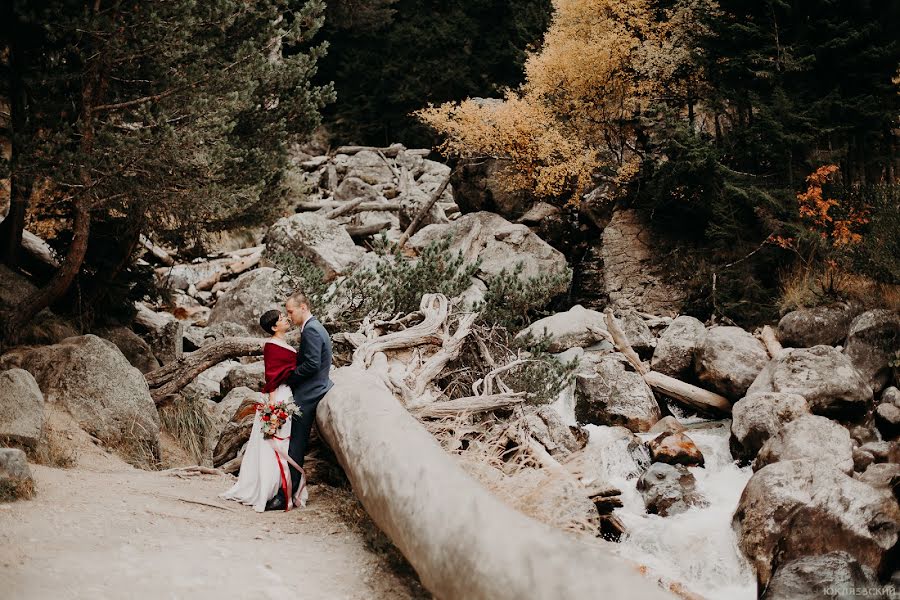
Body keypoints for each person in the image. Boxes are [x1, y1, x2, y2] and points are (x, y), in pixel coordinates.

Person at [220, 310, 307, 511]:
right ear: (274, 327)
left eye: (285, 316)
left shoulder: (285, 344)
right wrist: (273, 408)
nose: (286, 319)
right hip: (279, 396)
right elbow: (272, 377)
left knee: (284, 443)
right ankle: (268, 489)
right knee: (273, 443)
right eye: (282, 319)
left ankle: (282, 488)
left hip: (289, 393)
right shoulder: (271, 346)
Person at [265, 291, 334, 512]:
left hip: (310, 393)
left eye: (290, 311)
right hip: (313, 388)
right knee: (291, 441)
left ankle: (286, 495)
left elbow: (312, 364)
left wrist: (289, 378)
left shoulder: (312, 330)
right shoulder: (312, 327)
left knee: (295, 444)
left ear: (303, 307)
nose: (289, 315)